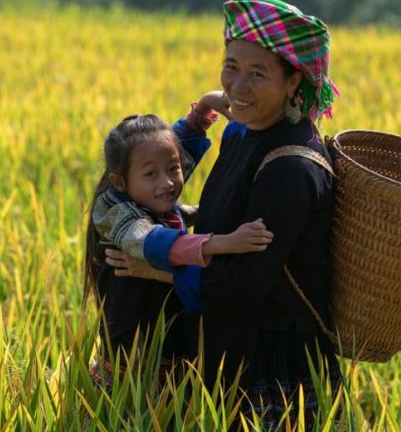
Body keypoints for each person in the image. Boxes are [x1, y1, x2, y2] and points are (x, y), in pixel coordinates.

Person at [105, 0, 343, 432]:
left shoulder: (293, 167)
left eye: (258, 74)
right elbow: (219, 215)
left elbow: (245, 282)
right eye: (231, 66)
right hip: (225, 349)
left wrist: (156, 271)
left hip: (272, 368)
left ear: (294, 82)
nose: (237, 87)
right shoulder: (240, 133)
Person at [84, 98, 274, 389]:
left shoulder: (148, 196)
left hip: (167, 354)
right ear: (119, 181)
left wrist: (202, 112)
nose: (168, 182)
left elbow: (169, 149)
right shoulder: (117, 217)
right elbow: (157, 243)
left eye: (173, 169)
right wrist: (227, 242)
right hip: (131, 368)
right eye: (151, 174)